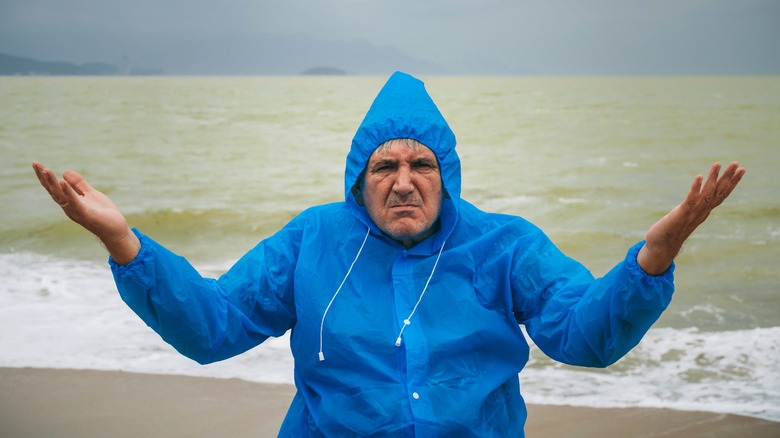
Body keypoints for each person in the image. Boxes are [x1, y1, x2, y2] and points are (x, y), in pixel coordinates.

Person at [33, 71, 745, 437]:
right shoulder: (313, 241)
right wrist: (123, 242)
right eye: (383, 167)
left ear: (448, 175)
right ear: (358, 181)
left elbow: (582, 335)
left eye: (421, 165)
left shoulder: (505, 247)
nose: (403, 180)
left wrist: (653, 257)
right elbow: (214, 328)